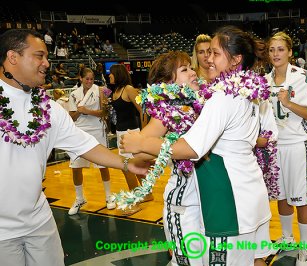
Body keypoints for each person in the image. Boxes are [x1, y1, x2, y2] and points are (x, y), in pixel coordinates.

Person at [120, 25, 274, 266]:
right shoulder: (245, 90)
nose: (206, 60)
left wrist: (142, 143)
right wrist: (137, 153)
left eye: (215, 53)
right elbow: (141, 157)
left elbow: (191, 149)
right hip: (241, 194)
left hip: (228, 200)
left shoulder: (222, 96)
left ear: (235, 60)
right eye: (206, 53)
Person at [0, 29, 148, 266]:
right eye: (39, 56)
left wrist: (128, 164)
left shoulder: (49, 108)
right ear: (13, 57)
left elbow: (85, 144)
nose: (47, 63)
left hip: (39, 220)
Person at [131, 50, 204, 265]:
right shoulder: (169, 112)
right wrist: (152, 150)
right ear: (168, 83)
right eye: (184, 69)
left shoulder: (198, 104)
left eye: (191, 67)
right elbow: (139, 148)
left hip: (205, 201)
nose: (192, 72)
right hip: (184, 203)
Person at [265, 31, 307, 266]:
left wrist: (288, 103)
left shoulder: (303, 77)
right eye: (271, 49)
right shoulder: (265, 80)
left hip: (298, 145)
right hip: (275, 147)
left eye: (280, 49)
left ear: (290, 52)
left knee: (300, 198)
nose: (275, 54)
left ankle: (306, 249)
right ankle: (288, 238)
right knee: (281, 195)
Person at [67, 68, 115, 215]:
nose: (89, 81)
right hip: (79, 132)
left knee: (102, 164)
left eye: (91, 79)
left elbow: (104, 112)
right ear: (80, 78)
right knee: (75, 167)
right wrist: (79, 111)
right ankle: (79, 198)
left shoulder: (100, 90)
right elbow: (72, 117)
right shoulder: (74, 94)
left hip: (96, 131)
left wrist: (87, 111)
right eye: (86, 78)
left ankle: (108, 196)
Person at [109, 63, 150, 215]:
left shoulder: (128, 89)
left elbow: (143, 109)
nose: (109, 76)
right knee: (135, 167)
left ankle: (134, 202)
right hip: (121, 132)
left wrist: (144, 133)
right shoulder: (116, 90)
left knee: (126, 168)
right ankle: (148, 194)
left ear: (118, 74)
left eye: (111, 73)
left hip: (131, 131)